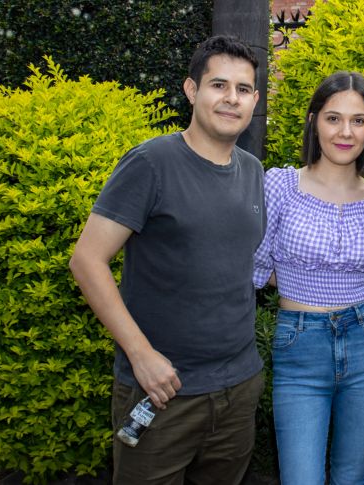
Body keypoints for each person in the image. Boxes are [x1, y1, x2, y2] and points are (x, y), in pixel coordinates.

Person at [69, 35, 266, 485]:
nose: (230, 99)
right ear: (192, 90)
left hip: (238, 389)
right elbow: (87, 261)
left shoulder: (252, 171)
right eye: (218, 85)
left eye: (242, 89)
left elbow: (235, 263)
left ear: (254, 99)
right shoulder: (151, 164)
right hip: (161, 391)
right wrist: (141, 356)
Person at [253, 71, 364, 485]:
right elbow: (254, 268)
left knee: (352, 476)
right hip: (300, 346)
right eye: (333, 118)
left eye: (358, 120)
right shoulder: (280, 185)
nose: (345, 132)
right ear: (315, 121)